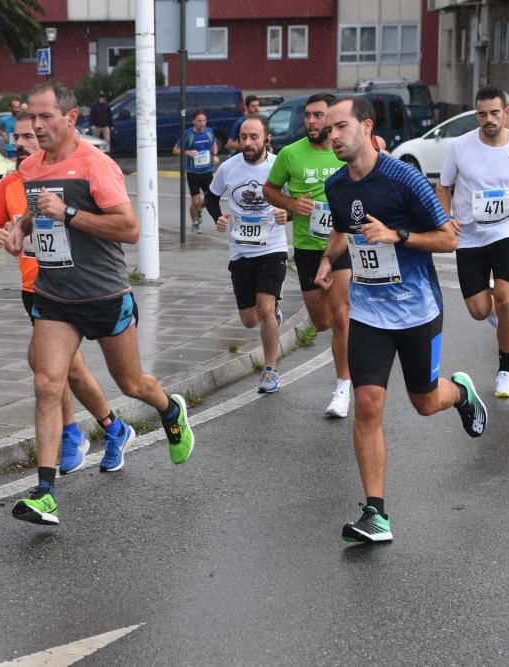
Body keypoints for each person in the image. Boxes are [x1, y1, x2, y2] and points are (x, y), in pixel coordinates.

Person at [3, 81, 196, 526]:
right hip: (54, 296)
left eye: (46, 116)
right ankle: (45, 491)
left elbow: (129, 229)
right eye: (33, 117)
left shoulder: (96, 164)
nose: (37, 124)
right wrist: (20, 230)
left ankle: (169, 408)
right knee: (47, 384)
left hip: (105, 293)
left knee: (131, 383)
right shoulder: (32, 167)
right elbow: (36, 212)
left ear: (70, 119)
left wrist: (69, 214)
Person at [314, 95, 488, 544]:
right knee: (368, 405)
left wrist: (398, 235)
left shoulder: (403, 178)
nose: (331, 135)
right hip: (369, 312)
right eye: (326, 129)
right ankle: (376, 513)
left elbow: (451, 238)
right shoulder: (336, 185)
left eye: (340, 127)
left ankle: (461, 391)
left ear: (366, 126)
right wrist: (329, 260)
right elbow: (342, 228)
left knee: (425, 402)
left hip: (417, 310)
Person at [0, 111, 133, 475]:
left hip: (75, 290)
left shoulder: (71, 178)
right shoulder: (10, 185)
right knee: (55, 371)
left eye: (29, 137)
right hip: (34, 290)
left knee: (64, 370)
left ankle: (91, 432)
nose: (19, 144)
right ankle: (103, 430)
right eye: (16, 138)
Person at [435, 86, 509, 399]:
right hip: (469, 236)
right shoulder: (460, 146)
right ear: (476, 115)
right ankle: (501, 316)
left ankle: (505, 373)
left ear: (506, 113)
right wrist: (445, 219)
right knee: (478, 310)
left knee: (507, 300)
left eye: (494, 113)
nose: (488, 119)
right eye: (482, 114)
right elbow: (443, 186)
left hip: (505, 232)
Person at [264, 93, 352, 418]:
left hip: (342, 246)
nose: (312, 122)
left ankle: (342, 387)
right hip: (307, 248)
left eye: (319, 116)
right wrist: (290, 204)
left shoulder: (346, 151)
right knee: (322, 321)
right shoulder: (290, 154)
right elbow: (269, 189)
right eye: (308, 116)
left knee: (341, 317)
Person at [205, 115, 289, 393]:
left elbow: (295, 201)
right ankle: (273, 316)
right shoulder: (229, 168)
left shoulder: (279, 166)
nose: (248, 142)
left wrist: (285, 213)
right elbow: (210, 196)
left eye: (254, 137)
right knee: (250, 319)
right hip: (240, 251)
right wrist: (218, 218)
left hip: (272, 249)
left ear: (266, 138)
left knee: (264, 308)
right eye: (243, 137)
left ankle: (270, 371)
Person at [173, 109, 219, 232]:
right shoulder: (188, 134)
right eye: (199, 121)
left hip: (207, 171)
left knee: (210, 199)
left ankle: (198, 209)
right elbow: (175, 150)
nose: (202, 123)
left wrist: (215, 155)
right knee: (195, 201)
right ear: (193, 121)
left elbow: (213, 143)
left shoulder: (209, 132)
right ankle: (195, 223)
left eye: (204, 120)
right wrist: (187, 152)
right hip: (193, 173)